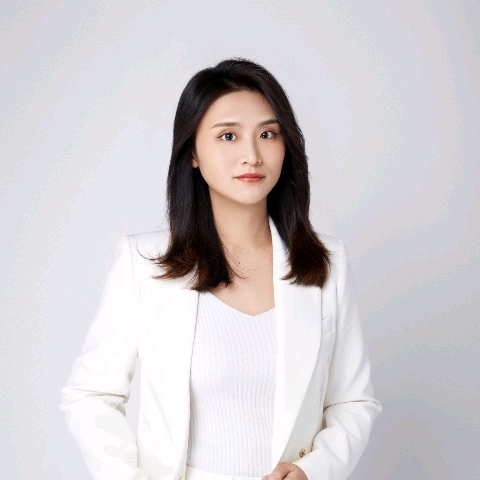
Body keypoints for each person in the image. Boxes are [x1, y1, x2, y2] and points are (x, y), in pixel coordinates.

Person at [61, 58, 382, 480]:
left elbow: (353, 402)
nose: (251, 155)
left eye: (268, 134)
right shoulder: (144, 264)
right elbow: (90, 395)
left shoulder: (325, 262)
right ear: (193, 152)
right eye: (228, 136)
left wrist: (313, 470)